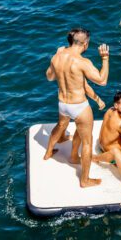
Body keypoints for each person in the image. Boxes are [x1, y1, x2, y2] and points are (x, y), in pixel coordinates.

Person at [43, 28, 109, 188]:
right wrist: (105, 59)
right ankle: (85, 180)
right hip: (79, 106)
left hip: (62, 103)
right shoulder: (82, 62)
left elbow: (49, 77)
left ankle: (48, 153)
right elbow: (102, 80)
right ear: (85, 44)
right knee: (87, 142)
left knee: (61, 125)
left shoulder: (57, 55)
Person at [94, 92, 121, 161]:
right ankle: (96, 159)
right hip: (109, 153)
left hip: (101, 145)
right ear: (116, 105)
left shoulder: (110, 110)